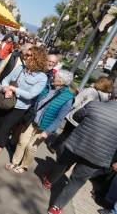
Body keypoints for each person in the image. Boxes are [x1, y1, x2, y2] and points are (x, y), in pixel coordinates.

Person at [46, 86, 117, 214]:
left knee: (63, 165)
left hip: (77, 144)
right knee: (77, 181)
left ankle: (49, 181)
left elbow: (77, 116)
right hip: (98, 156)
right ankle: (56, 207)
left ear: (111, 95)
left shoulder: (95, 105)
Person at [0, 46, 48, 171]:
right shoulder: (21, 68)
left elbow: (31, 94)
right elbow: (6, 80)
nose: (25, 57)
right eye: (25, 54)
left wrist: (13, 89)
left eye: (28, 55)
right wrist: (6, 88)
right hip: (5, 101)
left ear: (37, 59)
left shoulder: (42, 77)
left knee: (3, 132)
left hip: (18, 108)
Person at [5, 70, 75, 174]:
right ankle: (15, 162)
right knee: (22, 142)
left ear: (61, 81)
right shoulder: (47, 87)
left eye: (56, 77)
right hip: (32, 120)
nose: (53, 77)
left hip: (44, 127)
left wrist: (47, 131)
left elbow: (59, 119)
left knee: (31, 147)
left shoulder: (68, 98)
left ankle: (24, 166)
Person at [47, 76, 113, 153]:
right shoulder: (106, 98)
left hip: (76, 116)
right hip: (88, 119)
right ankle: (64, 151)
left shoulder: (90, 91)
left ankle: (54, 147)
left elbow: (75, 102)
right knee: (72, 136)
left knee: (66, 133)